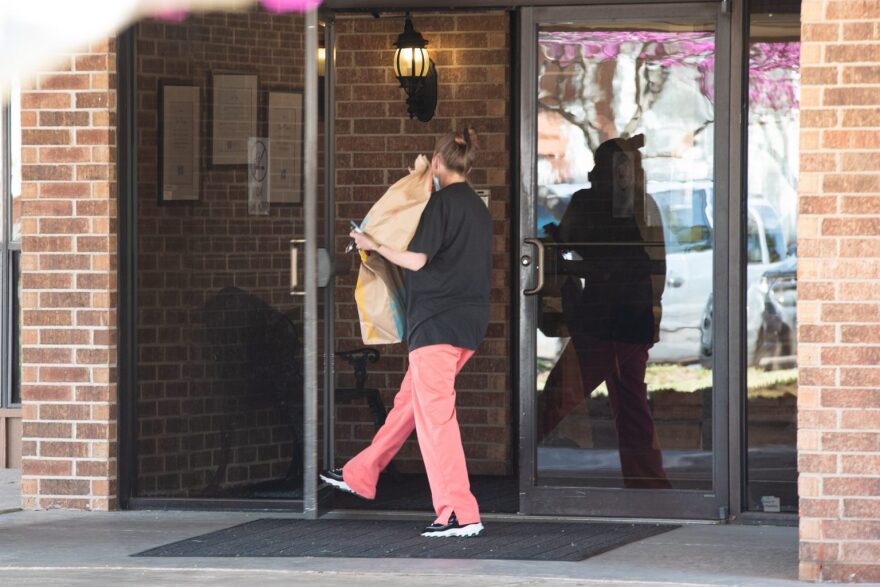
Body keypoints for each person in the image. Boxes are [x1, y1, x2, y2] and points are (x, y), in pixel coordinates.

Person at [321, 128, 492, 537]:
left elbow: (416, 260)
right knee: (408, 406)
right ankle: (362, 472)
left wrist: (372, 243)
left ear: (436, 163)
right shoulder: (478, 207)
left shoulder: (440, 205)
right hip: (467, 324)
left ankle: (459, 512)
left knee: (437, 421)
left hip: (434, 324)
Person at [540, 135, 672, 489]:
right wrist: (652, 311)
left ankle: (522, 468)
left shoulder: (592, 203)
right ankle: (648, 481)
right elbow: (654, 267)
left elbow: (567, 246)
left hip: (603, 323)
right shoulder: (643, 207)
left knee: (557, 395)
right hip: (634, 319)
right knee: (631, 405)